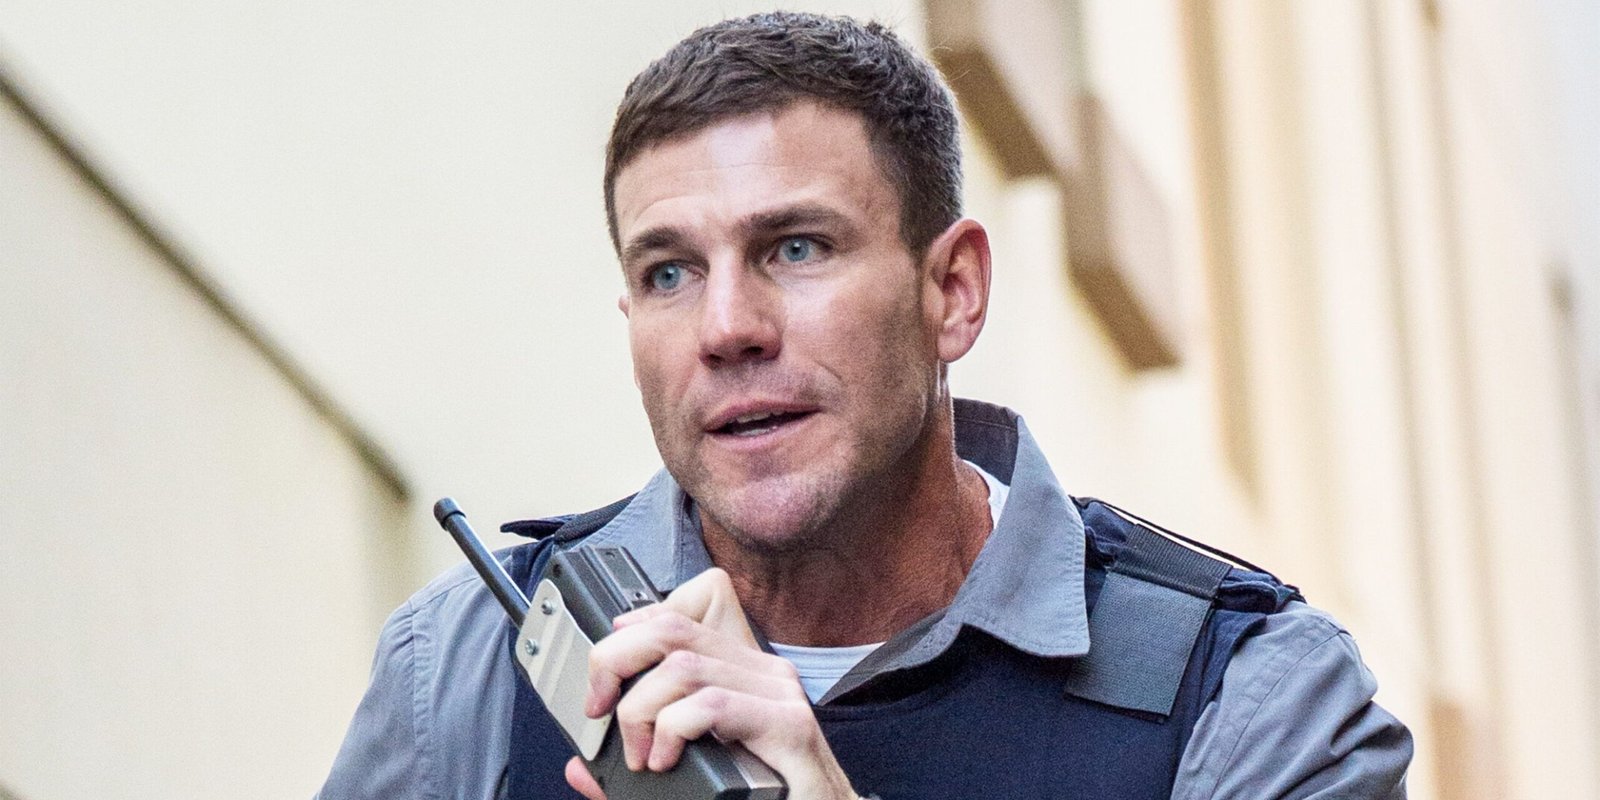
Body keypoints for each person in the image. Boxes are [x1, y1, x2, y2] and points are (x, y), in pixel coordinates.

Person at [320, 11, 1412, 799]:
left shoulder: (1254, 698)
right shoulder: (466, 665)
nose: (726, 325)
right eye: (669, 271)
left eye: (795, 248)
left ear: (953, 291)